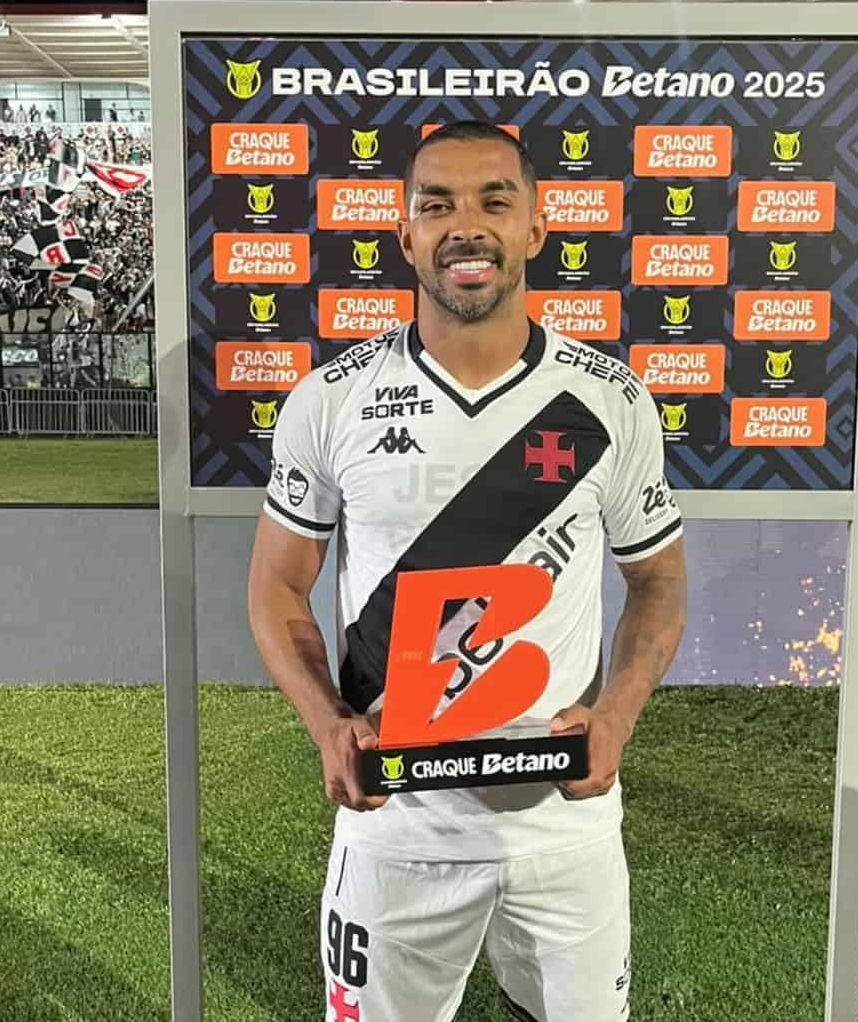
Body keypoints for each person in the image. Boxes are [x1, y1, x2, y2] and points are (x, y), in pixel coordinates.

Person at [248, 120, 687, 1021]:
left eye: (495, 199)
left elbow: (659, 580)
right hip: (397, 830)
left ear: (535, 227)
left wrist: (615, 718)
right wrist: (329, 725)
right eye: (436, 203)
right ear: (404, 235)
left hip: (563, 829)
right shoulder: (332, 398)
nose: (465, 225)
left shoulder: (607, 399)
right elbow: (276, 586)